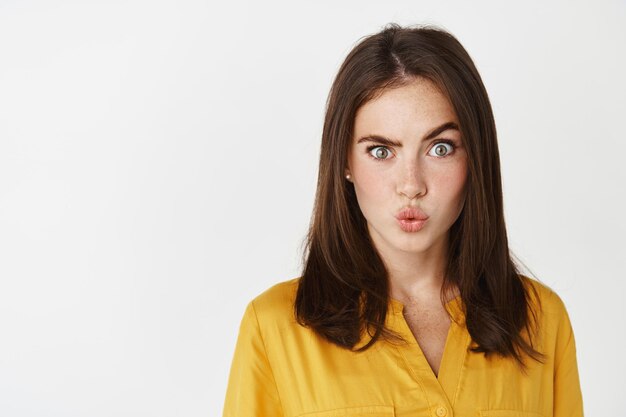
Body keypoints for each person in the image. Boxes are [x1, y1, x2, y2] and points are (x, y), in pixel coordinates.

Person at [222, 23, 584, 417]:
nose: (411, 185)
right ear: (344, 161)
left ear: (475, 157)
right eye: (381, 152)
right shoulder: (275, 328)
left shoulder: (541, 321)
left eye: (440, 148)